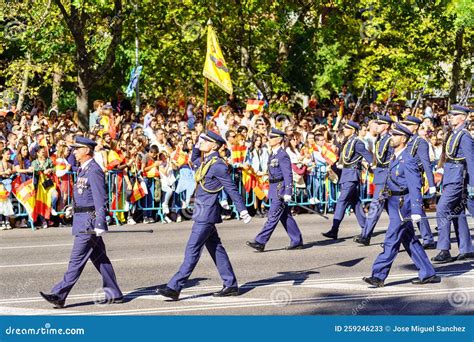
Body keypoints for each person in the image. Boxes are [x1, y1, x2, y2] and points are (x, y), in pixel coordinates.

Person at [156, 131, 251, 301]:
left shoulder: (218, 165)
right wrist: (197, 142)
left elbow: (231, 188)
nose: (203, 142)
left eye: (206, 141)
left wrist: (242, 209)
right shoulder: (205, 161)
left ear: (214, 145)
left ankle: (174, 286)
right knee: (216, 249)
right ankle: (230, 284)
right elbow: (193, 160)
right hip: (202, 210)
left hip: (206, 213)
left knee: (192, 249)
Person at [40, 137, 123, 308]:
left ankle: (59, 294)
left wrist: (100, 222)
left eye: (77, 149)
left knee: (76, 260)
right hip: (83, 219)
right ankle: (114, 292)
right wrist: (74, 207)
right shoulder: (84, 169)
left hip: (89, 223)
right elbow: (85, 195)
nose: (74, 151)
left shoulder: (93, 170)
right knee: (100, 258)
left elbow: (101, 199)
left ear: (86, 150)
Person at [363, 123, 440, 287]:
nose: (392, 137)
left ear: (403, 139)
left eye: (395, 135)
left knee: (391, 238)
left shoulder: (408, 159)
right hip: (393, 202)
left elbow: (415, 185)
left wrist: (417, 209)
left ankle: (378, 275)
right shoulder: (394, 155)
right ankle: (428, 273)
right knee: (409, 239)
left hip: (402, 203)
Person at [246, 128, 303, 252]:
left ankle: (260, 241)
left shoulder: (282, 155)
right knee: (285, 216)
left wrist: (288, 192)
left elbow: (288, 175)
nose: (269, 139)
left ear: (278, 140)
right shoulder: (273, 154)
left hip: (280, 189)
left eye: (272, 137)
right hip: (274, 188)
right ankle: (297, 240)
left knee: (272, 215)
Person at [431, 105, 474, 263]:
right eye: (450, 115)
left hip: (457, 177)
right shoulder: (454, 134)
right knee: (458, 212)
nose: (450, 117)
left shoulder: (464, 136)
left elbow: (471, 161)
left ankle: (444, 249)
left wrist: (472, 185)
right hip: (451, 176)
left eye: (454, 115)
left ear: (462, 118)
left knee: (442, 209)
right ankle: (467, 248)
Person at [322, 121, 373, 239]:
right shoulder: (348, 141)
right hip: (346, 174)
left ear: (353, 130)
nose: (344, 130)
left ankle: (334, 229)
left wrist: (374, 167)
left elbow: (368, 156)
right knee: (355, 203)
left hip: (351, 175)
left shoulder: (357, 143)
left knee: (341, 201)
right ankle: (366, 227)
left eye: (347, 128)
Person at [354, 115, 393, 245]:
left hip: (386, 177)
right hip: (380, 176)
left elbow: (393, 159)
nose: (377, 126)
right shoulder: (380, 140)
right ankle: (426, 236)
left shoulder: (390, 140)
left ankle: (366, 235)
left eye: (380, 124)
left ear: (386, 126)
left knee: (375, 207)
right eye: (376, 124)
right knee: (395, 212)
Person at [401, 115, 436, 248]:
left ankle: (427, 238)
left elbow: (426, 163)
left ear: (415, 127)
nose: (405, 127)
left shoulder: (419, 142)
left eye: (408, 125)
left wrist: (431, 184)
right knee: (402, 210)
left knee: (417, 208)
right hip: (402, 179)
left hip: (414, 179)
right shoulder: (405, 141)